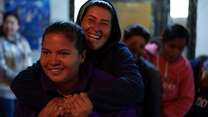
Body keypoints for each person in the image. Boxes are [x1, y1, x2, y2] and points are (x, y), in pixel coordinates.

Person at [11, 0, 144, 115]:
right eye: (91, 20)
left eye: (104, 23)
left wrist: (86, 101)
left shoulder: (117, 53)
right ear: (80, 22)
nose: (96, 28)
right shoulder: (60, 53)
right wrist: (54, 104)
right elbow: (20, 82)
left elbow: (135, 86)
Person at [146, 24, 195, 117]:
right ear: (162, 41)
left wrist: (166, 114)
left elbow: (186, 99)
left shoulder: (185, 68)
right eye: (172, 46)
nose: (176, 52)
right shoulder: (148, 56)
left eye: (180, 49)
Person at [123, 23, 161, 117]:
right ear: (123, 42)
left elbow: (153, 110)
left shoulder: (151, 73)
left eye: (141, 46)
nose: (136, 49)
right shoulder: (111, 64)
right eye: (133, 44)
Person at [0, 12, 32, 117]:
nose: (9, 26)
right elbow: (2, 69)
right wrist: (20, 81)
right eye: (6, 22)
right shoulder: (1, 42)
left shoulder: (23, 42)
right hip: (5, 92)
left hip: (22, 92)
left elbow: (29, 63)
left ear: (18, 25)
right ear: (3, 24)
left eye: (12, 23)